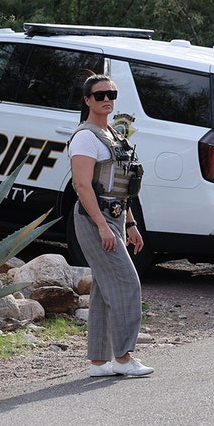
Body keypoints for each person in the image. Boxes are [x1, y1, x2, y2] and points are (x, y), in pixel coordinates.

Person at [68, 74, 153, 377]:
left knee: (104, 290)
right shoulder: (85, 137)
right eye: (100, 95)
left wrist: (129, 223)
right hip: (95, 219)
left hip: (116, 216)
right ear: (87, 100)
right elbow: (82, 184)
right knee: (127, 284)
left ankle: (99, 363)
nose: (107, 99)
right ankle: (124, 357)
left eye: (111, 94)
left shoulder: (115, 136)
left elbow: (121, 186)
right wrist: (103, 227)